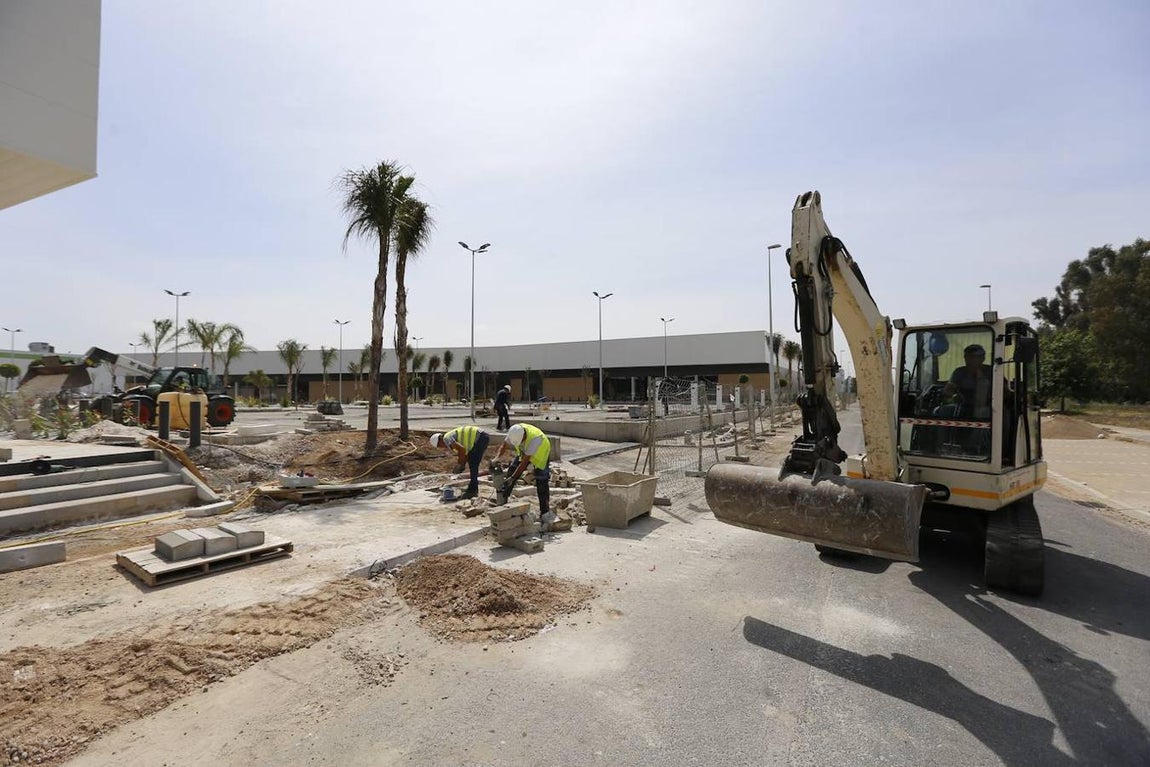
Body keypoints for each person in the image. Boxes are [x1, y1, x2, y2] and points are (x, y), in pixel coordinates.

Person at [495, 423, 555, 527]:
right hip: (525, 453)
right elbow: (504, 445)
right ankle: (503, 501)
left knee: (542, 482)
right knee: (512, 469)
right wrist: (496, 458)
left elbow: (524, 464)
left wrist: (513, 478)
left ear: (524, 436)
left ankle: (545, 512)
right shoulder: (514, 432)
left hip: (541, 452)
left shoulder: (535, 440)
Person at [429, 426, 490, 499]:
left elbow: (462, 450)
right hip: (481, 436)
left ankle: (472, 490)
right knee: (472, 462)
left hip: (480, 437)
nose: (443, 447)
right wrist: (462, 464)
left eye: (440, 446)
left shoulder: (447, 439)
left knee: (473, 463)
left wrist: (459, 464)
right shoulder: (449, 437)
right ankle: (473, 488)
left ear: (439, 441)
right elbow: (465, 454)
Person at [944, 343, 993, 418]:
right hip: (964, 406)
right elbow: (948, 390)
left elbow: (1005, 391)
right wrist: (954, 396)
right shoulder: (959, 372)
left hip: (988, 408)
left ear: (982, 358)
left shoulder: (992, 371)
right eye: (967, 356)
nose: (969, 359)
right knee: (946, 411)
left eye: (973, 357)